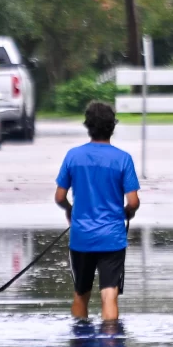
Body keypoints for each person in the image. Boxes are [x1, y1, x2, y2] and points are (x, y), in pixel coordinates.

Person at [55, 102, 140, 321]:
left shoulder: (73, 156)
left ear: (88, 126)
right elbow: (133, 201)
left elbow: (60, 197)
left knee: (80, 294)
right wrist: (126, 212)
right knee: (109, 296)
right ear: (112, 126)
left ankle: (80, 344)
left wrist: (70, 210)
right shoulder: (123, 159)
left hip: (81, 236)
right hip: (112, 237)